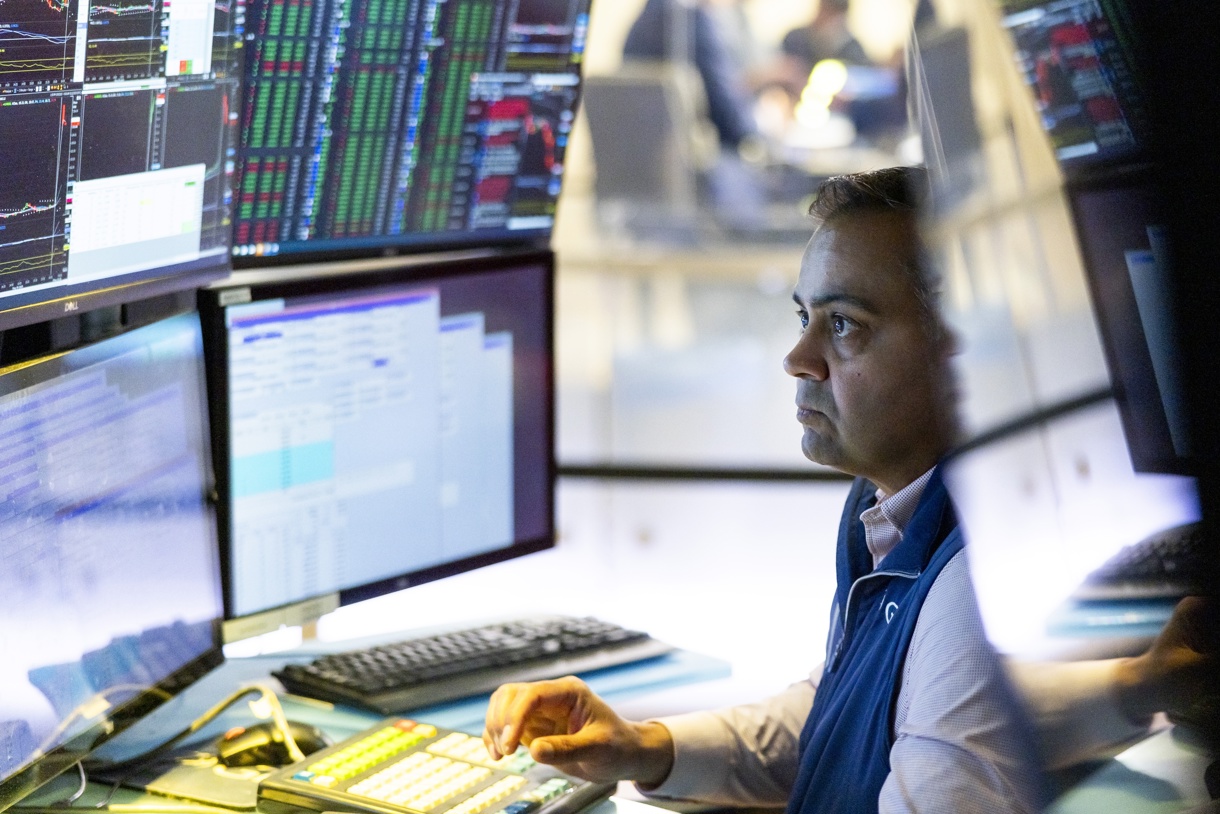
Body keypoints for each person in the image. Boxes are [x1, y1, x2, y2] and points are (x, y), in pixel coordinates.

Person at [481, 167, 1218, 812]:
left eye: (843, 325)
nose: (798, 358)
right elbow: (869, 710)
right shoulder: (894, 507)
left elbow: (947, 727)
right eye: (805, 318)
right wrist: (643, 746)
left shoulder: (968, 570)